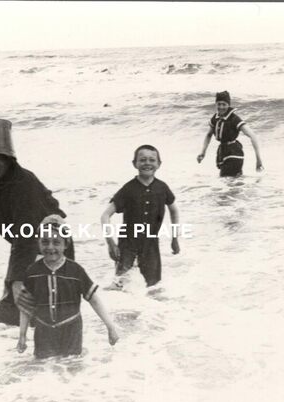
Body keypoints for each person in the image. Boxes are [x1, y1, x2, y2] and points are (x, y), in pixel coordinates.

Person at [0, 119, 73, 326]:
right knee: (10, 312)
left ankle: (55, 343)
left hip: (49, 243)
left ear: (9, 162)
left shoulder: (23, 185)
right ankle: (16, 344)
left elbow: (26, 235)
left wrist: (17, 279)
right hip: (24, 242)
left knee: (40, 309)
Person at [16, 215, 119, 359]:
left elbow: (94, 300)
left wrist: (110, 327)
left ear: (66, 244)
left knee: (71, 366)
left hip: (71, 331)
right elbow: (25, 307)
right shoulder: (32, 272)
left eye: (56, 242)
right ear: (38, 243)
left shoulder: (76, 271)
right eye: (45, 242)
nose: (50, 247)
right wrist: (22, 335)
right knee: (43, 367)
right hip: (43, 332)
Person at [101, 145, 180, 289]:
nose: (147, 163)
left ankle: (148, 305)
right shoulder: (128, 189)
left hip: (151, 244)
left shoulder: (162, 188)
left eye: (152, 160)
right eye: (142, 160)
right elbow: (105, 215)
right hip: (127, 244)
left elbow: (174, 211)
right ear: (134, 163)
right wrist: (110, 243)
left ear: (159, 164)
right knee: (120, 283)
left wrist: (175, 238)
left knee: (153, 286)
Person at [196, 91, 264, 177]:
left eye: (224, 104)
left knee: (226, 179)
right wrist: (203, 152)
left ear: (228, 105)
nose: (221, 107)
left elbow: (253, 136)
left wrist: (258, 159)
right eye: (219, 104)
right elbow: (209, 135)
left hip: (234, 153)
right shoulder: (215, 118)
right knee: (232, 181)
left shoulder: (234, 119)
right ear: (216, 104)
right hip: (223, 153)